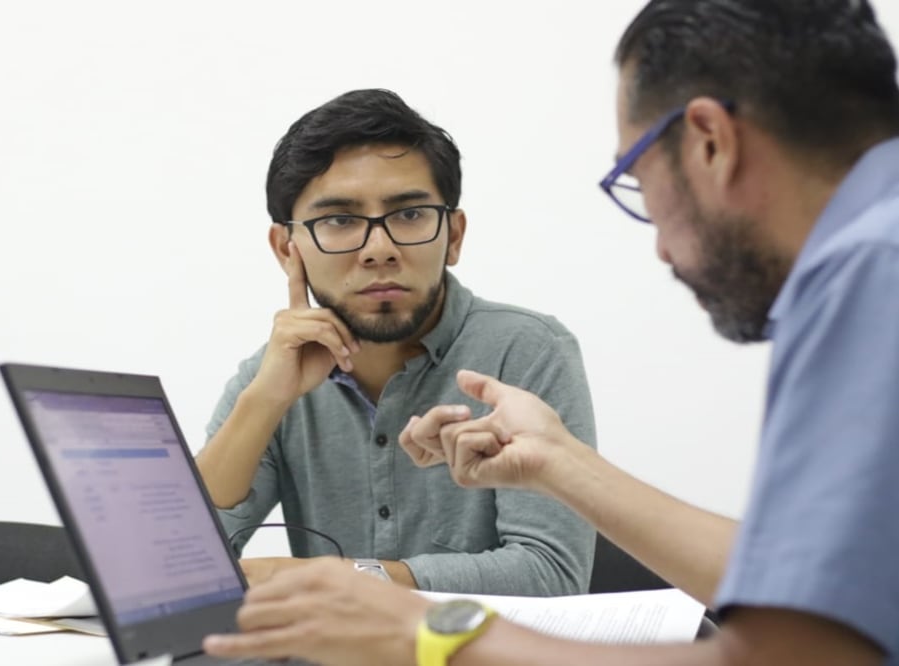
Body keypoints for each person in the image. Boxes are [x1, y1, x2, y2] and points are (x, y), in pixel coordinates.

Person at [201, 1, 899, 664]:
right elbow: (812, 589)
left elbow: (799, 651)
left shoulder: (871, 271)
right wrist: (558, 463)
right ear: (287, 247)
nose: (658, 247)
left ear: (710, 142)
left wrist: (417, 628)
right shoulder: (873, 253)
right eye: (340, 221)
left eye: (634, 178)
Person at [194, 88, 598, 595]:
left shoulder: (528, 350)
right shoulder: (271, 376)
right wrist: (264, 401)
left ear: (453, 235)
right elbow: (179, 563)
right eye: (339, 221)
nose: (378, 250)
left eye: (409, 215)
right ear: (286, 249)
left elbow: (552, 575)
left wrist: (353, 580)